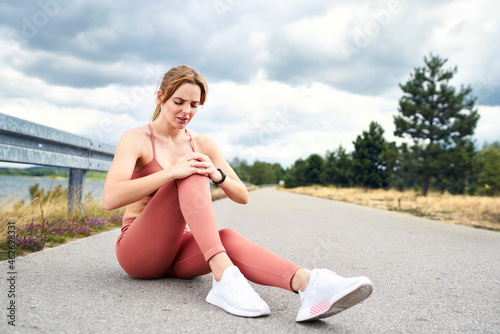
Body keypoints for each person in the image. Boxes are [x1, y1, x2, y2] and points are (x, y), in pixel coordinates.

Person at [103, 65, 373, 322]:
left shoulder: (202, 143)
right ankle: (225, 277)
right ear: (161, 97)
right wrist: (172, 172)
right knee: (192, 169)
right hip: (138, 253)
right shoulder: (137, 138)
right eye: (179, 102)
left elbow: (242, 194)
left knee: (226, 235)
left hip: (179, 255)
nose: (186, 111)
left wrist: (217, 175)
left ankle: (308, 284)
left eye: (194, 105)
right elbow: (110, 198)